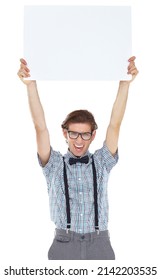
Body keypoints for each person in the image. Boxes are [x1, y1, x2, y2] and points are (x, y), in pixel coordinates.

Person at [17, 57, 138, 260]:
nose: (79, 140)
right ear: (65, 134)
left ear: (93, 136)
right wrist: (31, 85)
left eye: (85, 134)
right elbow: (40, 127)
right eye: (73, 134)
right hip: (63, 245)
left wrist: (124, 83)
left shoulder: (101, 162)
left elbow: (114, 124)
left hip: (100, 243)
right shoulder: (54, 164)